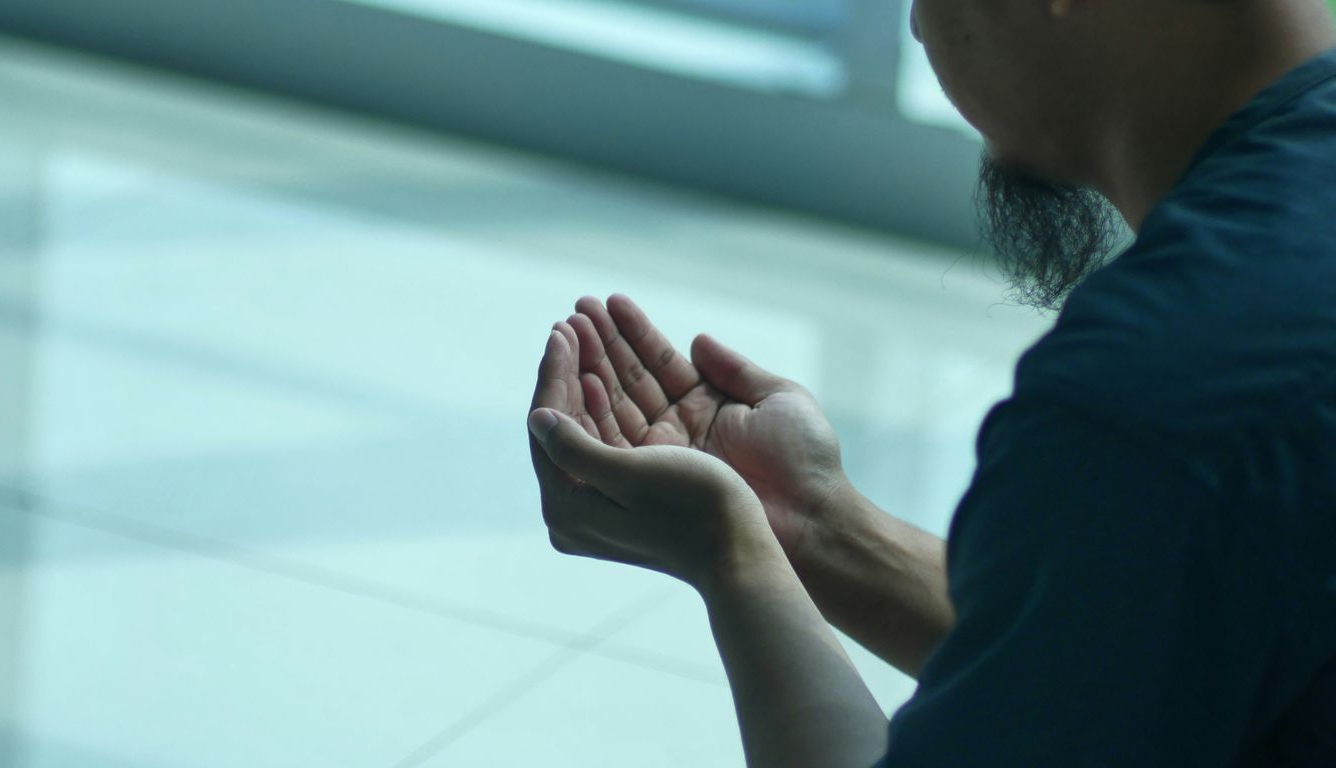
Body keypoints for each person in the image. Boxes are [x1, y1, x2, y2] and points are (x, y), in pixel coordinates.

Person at [526, 1, 1336, 765]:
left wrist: (730, 554)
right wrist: (811, 525)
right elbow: (1128, 650)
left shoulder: (1157, 394)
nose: (916, 23)